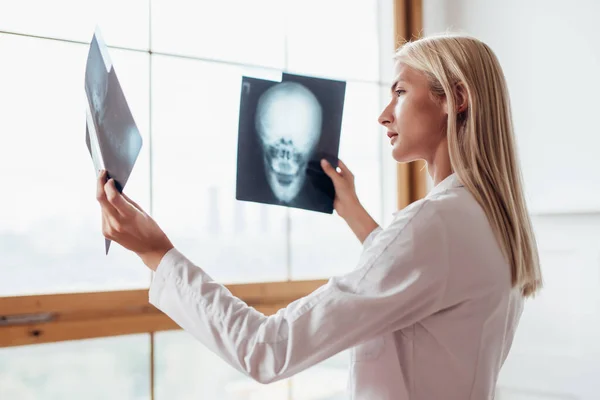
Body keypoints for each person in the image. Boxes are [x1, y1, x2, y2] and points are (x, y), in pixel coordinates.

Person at [96, 33, 543, 399]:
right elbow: (424, 284)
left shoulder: (434, 225)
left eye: (401, 92)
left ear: (455, 98)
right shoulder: (490, 219)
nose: (384, 115)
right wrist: (352, 211)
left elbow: (268, 349)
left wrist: (159, 255)